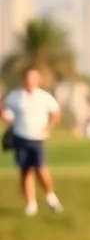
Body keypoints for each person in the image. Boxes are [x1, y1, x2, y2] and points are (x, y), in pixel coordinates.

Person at [2, 67, 64, 216]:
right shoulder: (16, 96)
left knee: (41, 168)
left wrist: (48, 128)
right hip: (20, 137)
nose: (30, 81)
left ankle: (50, 197)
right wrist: (6, 118)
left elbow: (56, 113)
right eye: (28, 78)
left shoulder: (43, 97)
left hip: (38, 138)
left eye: (33, 78)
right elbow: (3, 107)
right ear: (24, 79)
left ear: (38, 80)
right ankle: (31, 204)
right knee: (25, 171)